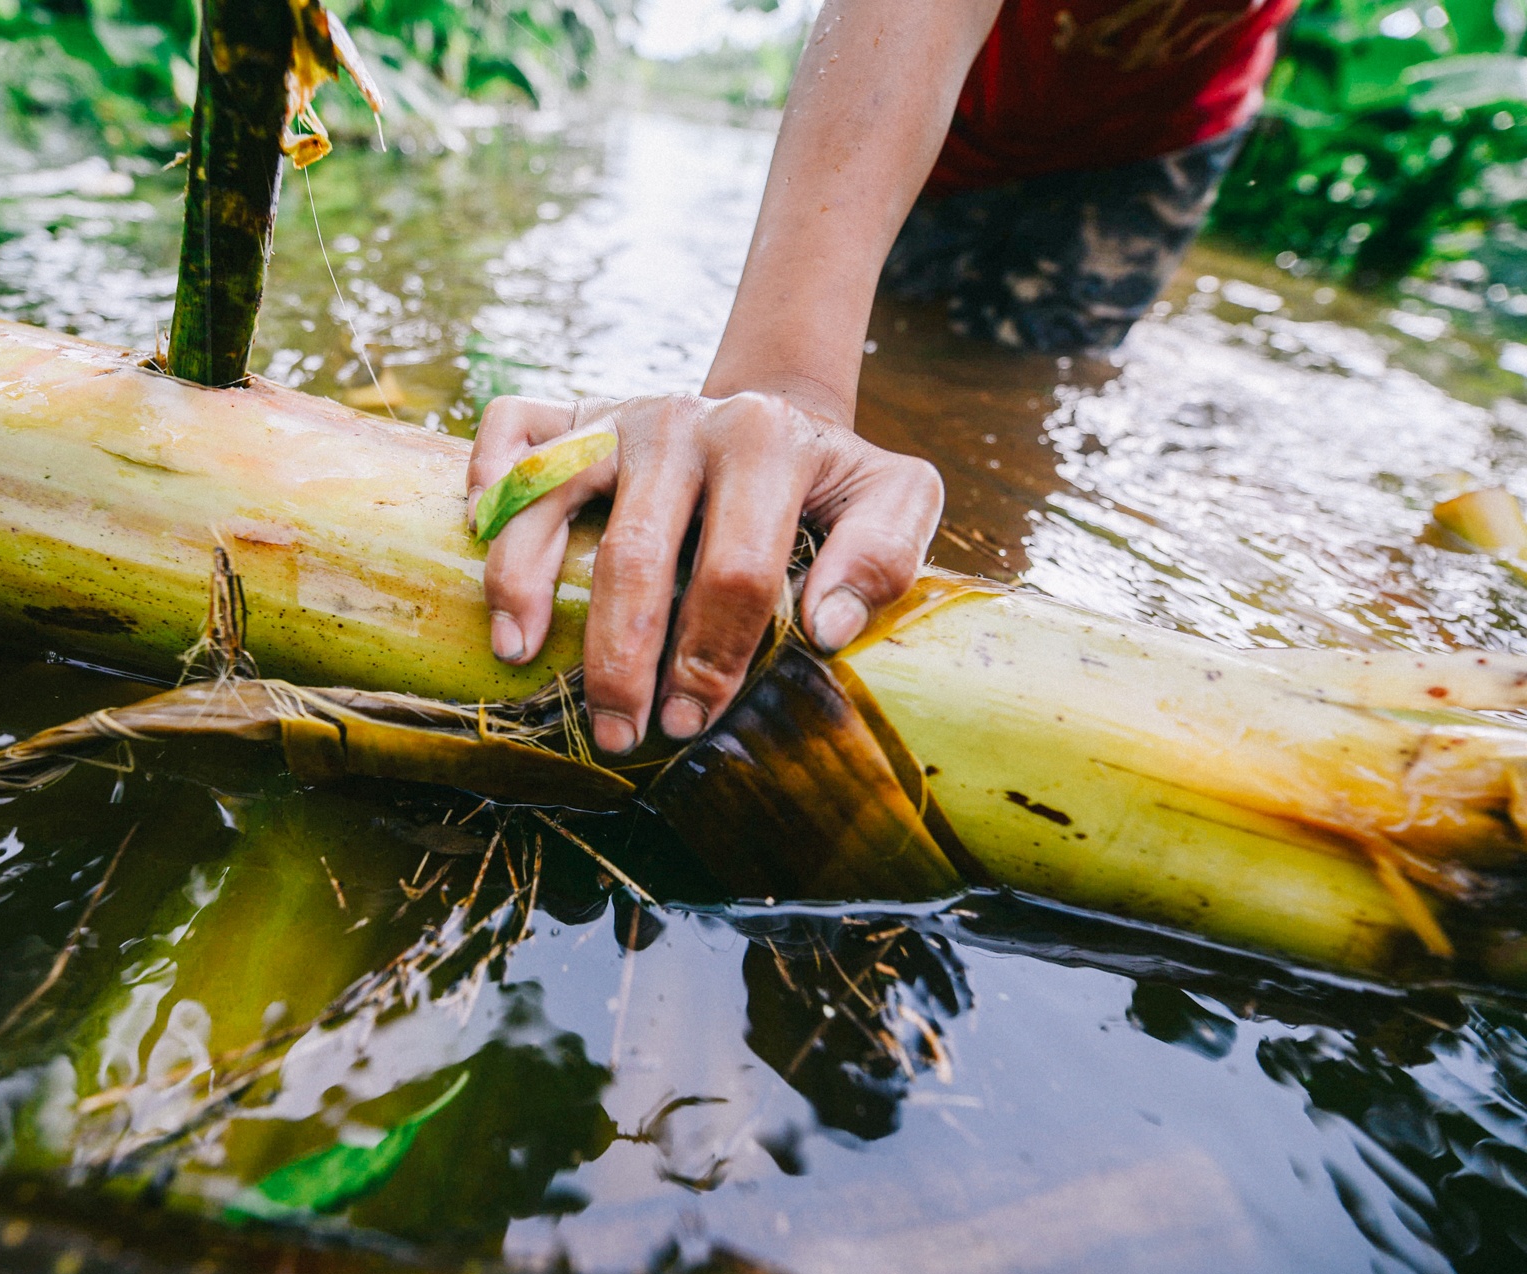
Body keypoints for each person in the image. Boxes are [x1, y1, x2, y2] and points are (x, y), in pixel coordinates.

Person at [466, 0, 1297, 756]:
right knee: (887, 341)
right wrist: (780, 393)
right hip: (930, 91)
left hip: (1157, 128)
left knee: (1034, 390)